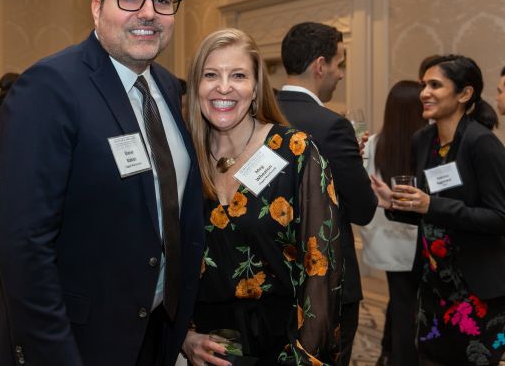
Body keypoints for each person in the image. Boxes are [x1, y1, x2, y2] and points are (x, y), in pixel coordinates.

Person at [0, 0, 204, 366]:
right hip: (77, 342)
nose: (147, 12)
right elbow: (23, 246)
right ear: (98, 8)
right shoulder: (48, 87)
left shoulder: (168, 88)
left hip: (152, 331)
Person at [182, 28, 342, 365]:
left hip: (283, 346)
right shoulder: (183, 159)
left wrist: (305, 356)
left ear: (256, 87)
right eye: (211, 75)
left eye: (238, 75)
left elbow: (321, 268)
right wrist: (185, 337)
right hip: (208, 350)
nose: (223, 86)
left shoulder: (294, 151)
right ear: (197, 86)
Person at [371, 55, 505, 366]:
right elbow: (426, 210)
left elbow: (499, 217)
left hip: (477, 291)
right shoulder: (423, 140)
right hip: (433, 286)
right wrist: (396, 204)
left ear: (464, 94)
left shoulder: (481, 144)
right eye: (423, 85)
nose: (424, 93)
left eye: (435, 85)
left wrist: (433, 204)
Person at [276, 21, 377, 365]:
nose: (342, 74)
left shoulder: (258, 113)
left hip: (272, 273)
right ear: (321, 65)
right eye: (340, 63)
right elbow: (363, 209)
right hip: (325, 281)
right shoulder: (332, 125)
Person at [358, 80, 425, 366]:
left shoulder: (373, 144)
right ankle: (401, 358)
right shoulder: (424, 146)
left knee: (400, 300)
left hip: (386, 242)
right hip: (417, 241)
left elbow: (362, 186)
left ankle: (386, 353)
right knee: (409, 306)